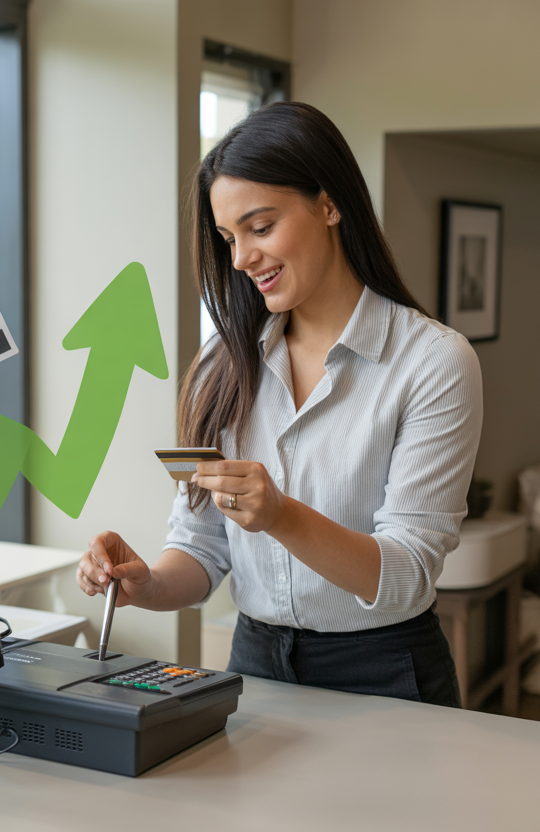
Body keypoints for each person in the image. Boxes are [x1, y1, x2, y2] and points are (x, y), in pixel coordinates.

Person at [78, 101, 481, 706]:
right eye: (228, 238)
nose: (240, 258)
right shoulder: (220, 366)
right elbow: (201, 544)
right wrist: (145, 584)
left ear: (329, 203)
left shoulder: (434, 362)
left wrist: (281, 516)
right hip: (255, 663)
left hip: (385, 671)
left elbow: (408, 575)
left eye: (260, 227)